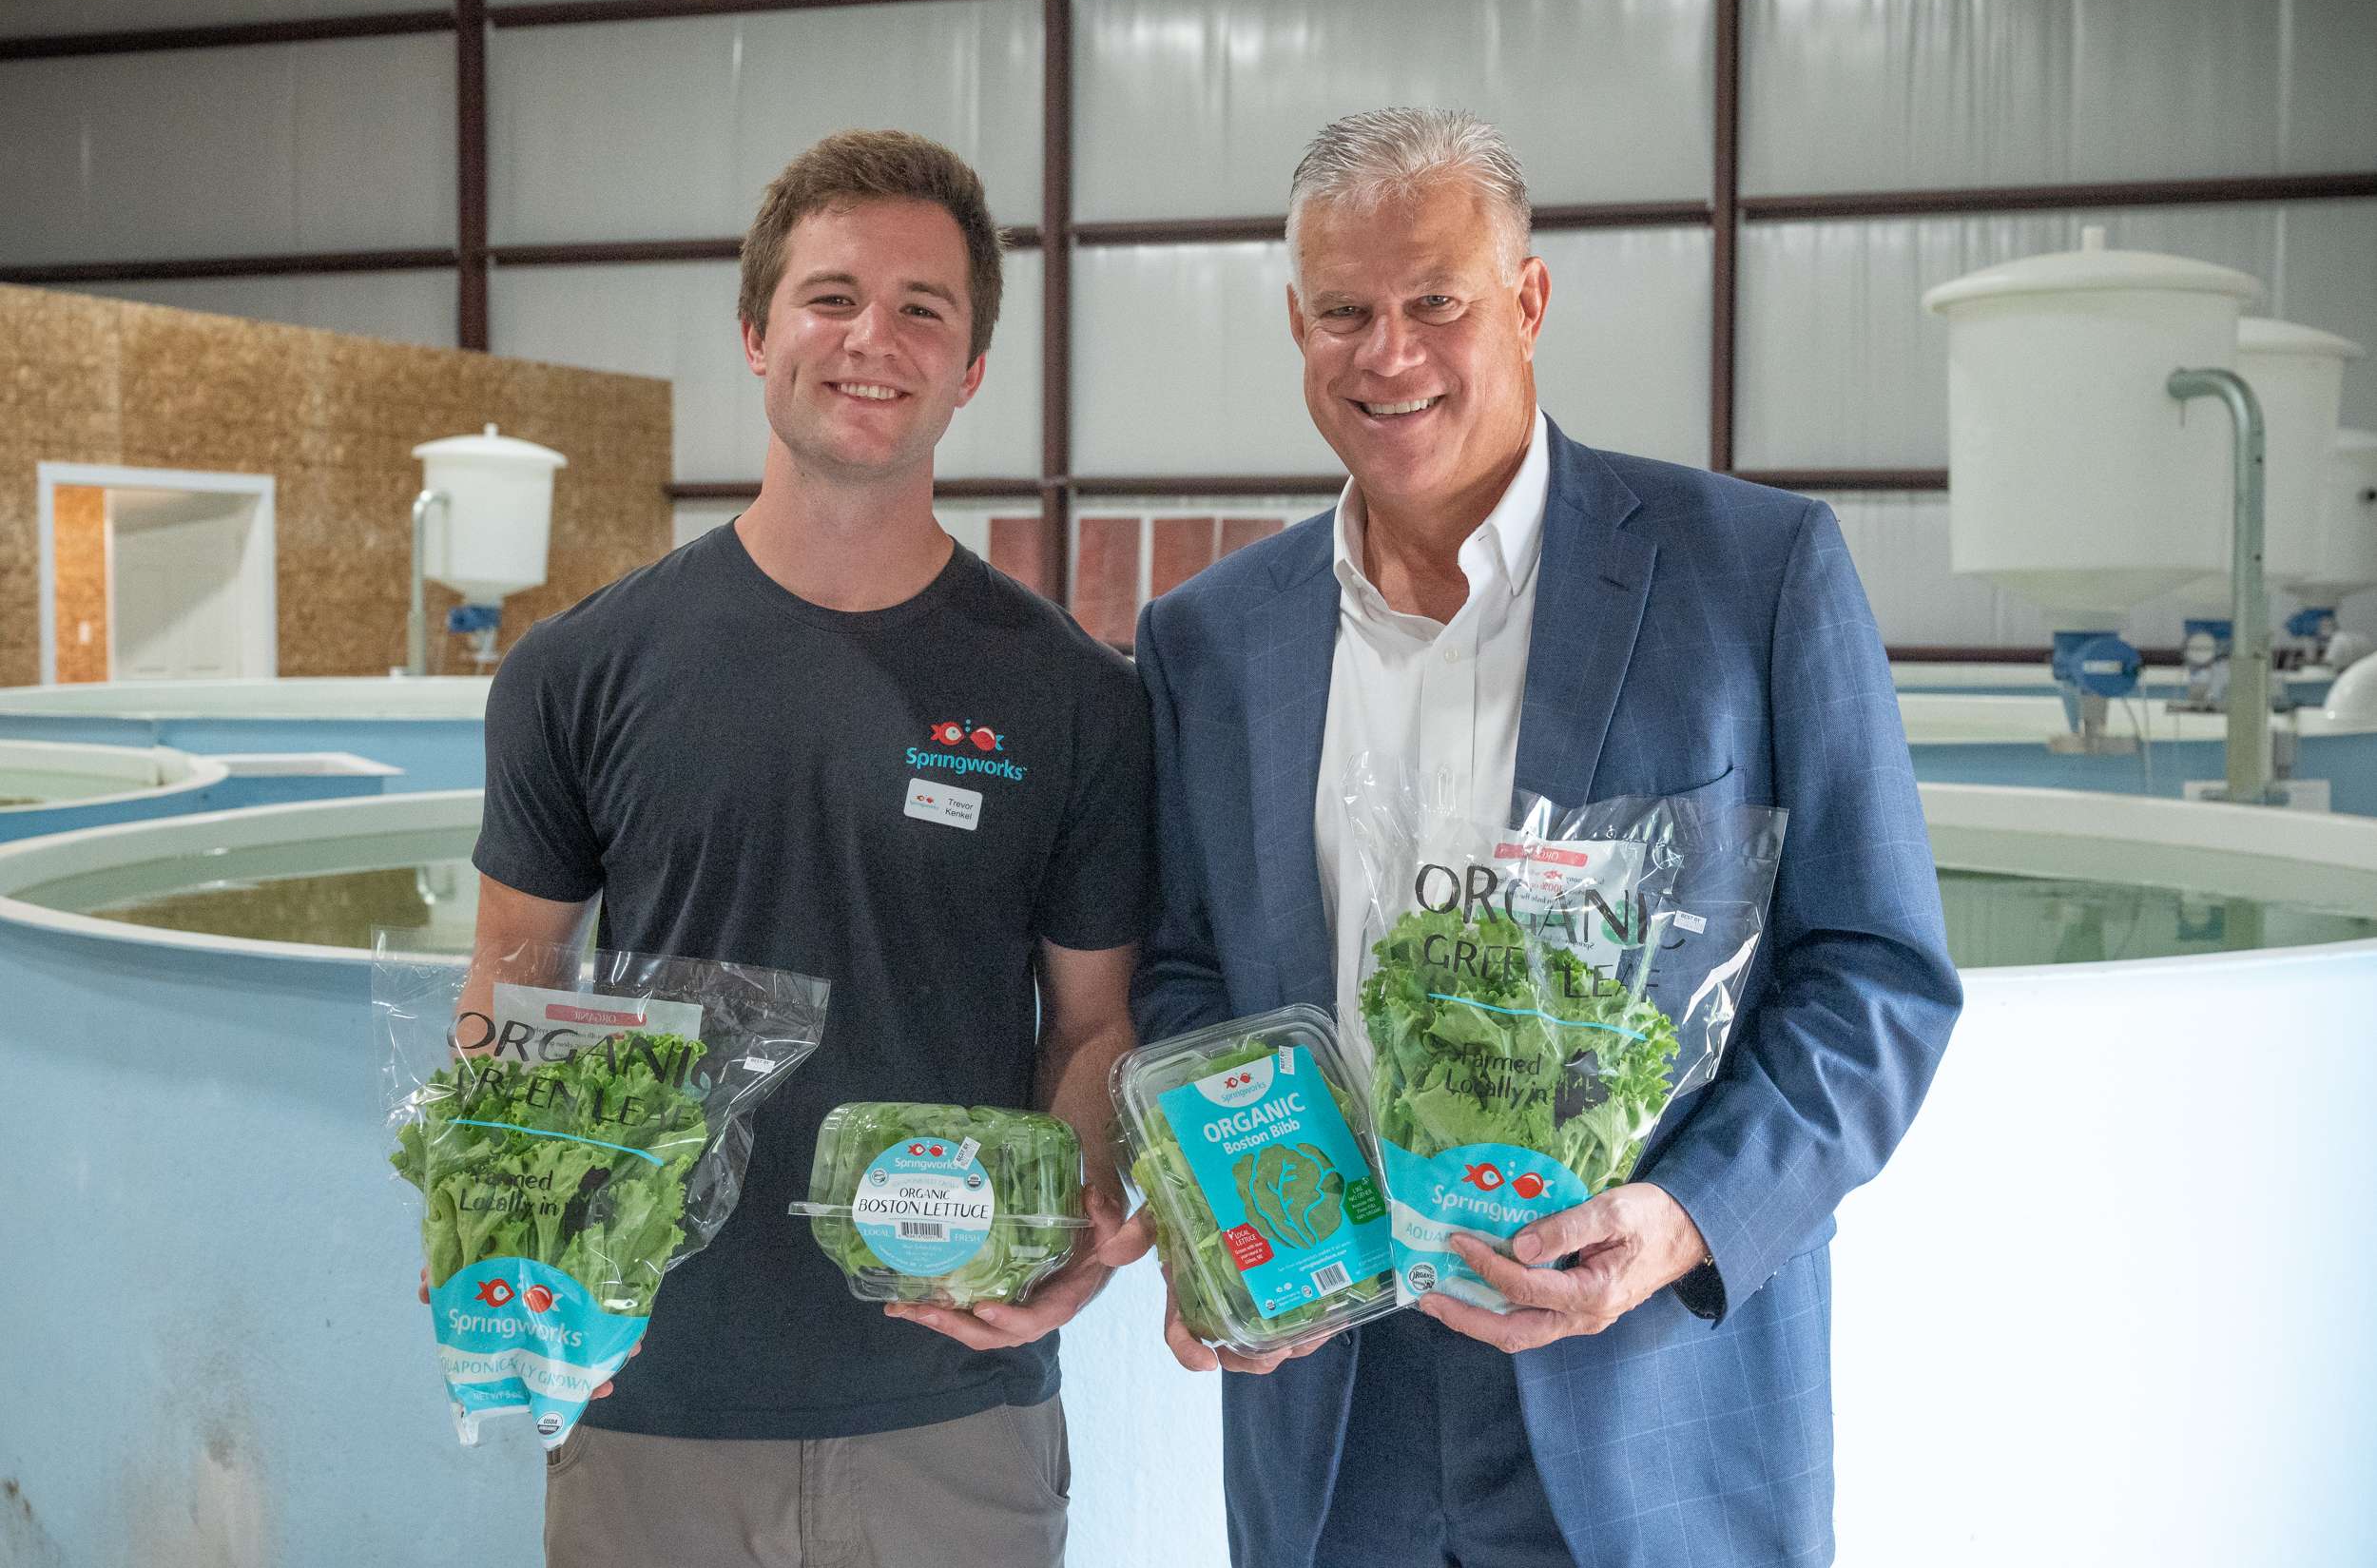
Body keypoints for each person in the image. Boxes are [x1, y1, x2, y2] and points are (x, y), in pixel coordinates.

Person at [1109, 106, 1963, 1567]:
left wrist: (1686, 1220)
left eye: (1436, 300)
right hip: (1334, 1400)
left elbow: (1879, 976)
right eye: (1344, 312)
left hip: (1648, 1393)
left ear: (1528, 298)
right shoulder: (1210, 639)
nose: (1390, 353)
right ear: (1297, 326)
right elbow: (1190, 971)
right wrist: (1213, 1204)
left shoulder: (1752, 574)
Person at [461, 128, 1150, 1567]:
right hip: (648, 1387)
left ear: (968, 372)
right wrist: (492, 1206)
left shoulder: (1074, 697)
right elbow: (515, 975)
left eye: (924, 309)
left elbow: (1090, 1026)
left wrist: (1075, 1223)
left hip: (950, 1395)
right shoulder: (578, 670)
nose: (871, 340)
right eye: (832, 296)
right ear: (756, 332)